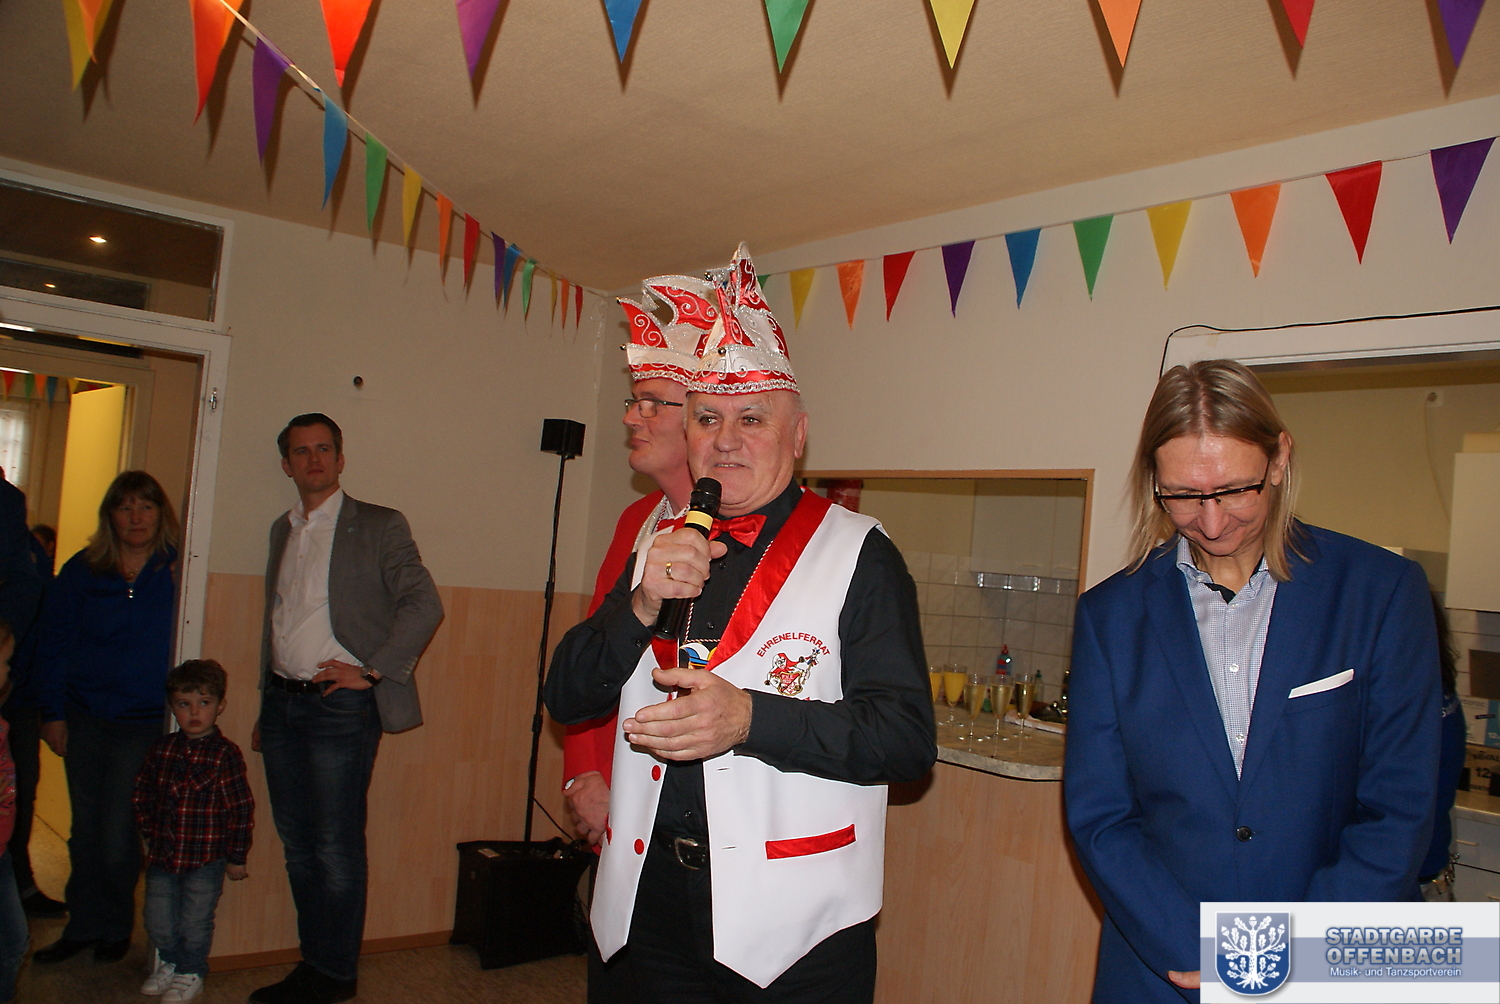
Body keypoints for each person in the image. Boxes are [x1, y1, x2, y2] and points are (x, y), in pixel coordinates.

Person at [546, 244, 935, 1002]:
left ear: (798, 435)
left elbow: (905, 739)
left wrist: (750, 719)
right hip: (642, 911)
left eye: (752, 418)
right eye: (707, 418)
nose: (726, 439)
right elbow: (567, 696)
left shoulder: (862, 555)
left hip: (796, 929)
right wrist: (641, 604)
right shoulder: (654, 541)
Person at [1064, 360, 1441, 1003]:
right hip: (1166, 971)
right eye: (1183, 495)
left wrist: (1287, 960)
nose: (1212, 524)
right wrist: (1207, 955)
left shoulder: (1379, 593)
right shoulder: (1110, 616)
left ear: (1280, 458)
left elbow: (1399, 808)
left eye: (1235, 490)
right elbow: (1102, 817)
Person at [250, 414, 443, 1004]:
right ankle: (316, 962)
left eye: (323, 449)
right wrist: (265, 702)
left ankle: (333, 974)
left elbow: (424, 603)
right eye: (300, 451)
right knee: (297, 842)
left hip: (339, 710)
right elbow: (277, 620)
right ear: (286, 464)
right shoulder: (282, 529)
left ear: (340, 458)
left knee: (334, 845)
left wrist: (373, 671)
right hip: (282, 705)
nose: (313, 460)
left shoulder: (379, 525)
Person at [564, 276, 701, 1003]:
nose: (630, 418)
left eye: (652, 404)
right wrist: (583, 777)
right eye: (633, 401)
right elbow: (596, 662)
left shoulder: (739, 541)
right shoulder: (634, 523)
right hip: (618, 817)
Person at [32, 470, 181, 965]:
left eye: (146, 506)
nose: (136, 517)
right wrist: (52, 713)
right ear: (110, 516)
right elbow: (53, 644)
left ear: (160, 514)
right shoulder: (83, 569)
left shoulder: (177, 570)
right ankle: (83, 926)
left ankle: (116, 924)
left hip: (141, 723)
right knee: (86, 831)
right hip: (84, 718)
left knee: (118, 834)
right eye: (125, 507)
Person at [133, 659, 254, 1003]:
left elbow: (240, 808)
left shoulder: (225, 754)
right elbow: (142, 794)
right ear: (173, 707)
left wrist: (236, 857)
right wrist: (150, 835)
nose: (194, 712)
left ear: (220, 706)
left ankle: (191, 971)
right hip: (163, 856)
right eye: (184, 704)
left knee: (195, 921)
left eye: (204, 702)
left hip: (206, 859)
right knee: (156, 920)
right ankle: (172, 961)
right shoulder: (161, 749)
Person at [0, 619, 32, 1004]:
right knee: (10, 943)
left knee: (14, 940)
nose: (10, 670)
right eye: (5, 662)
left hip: (2, 853)